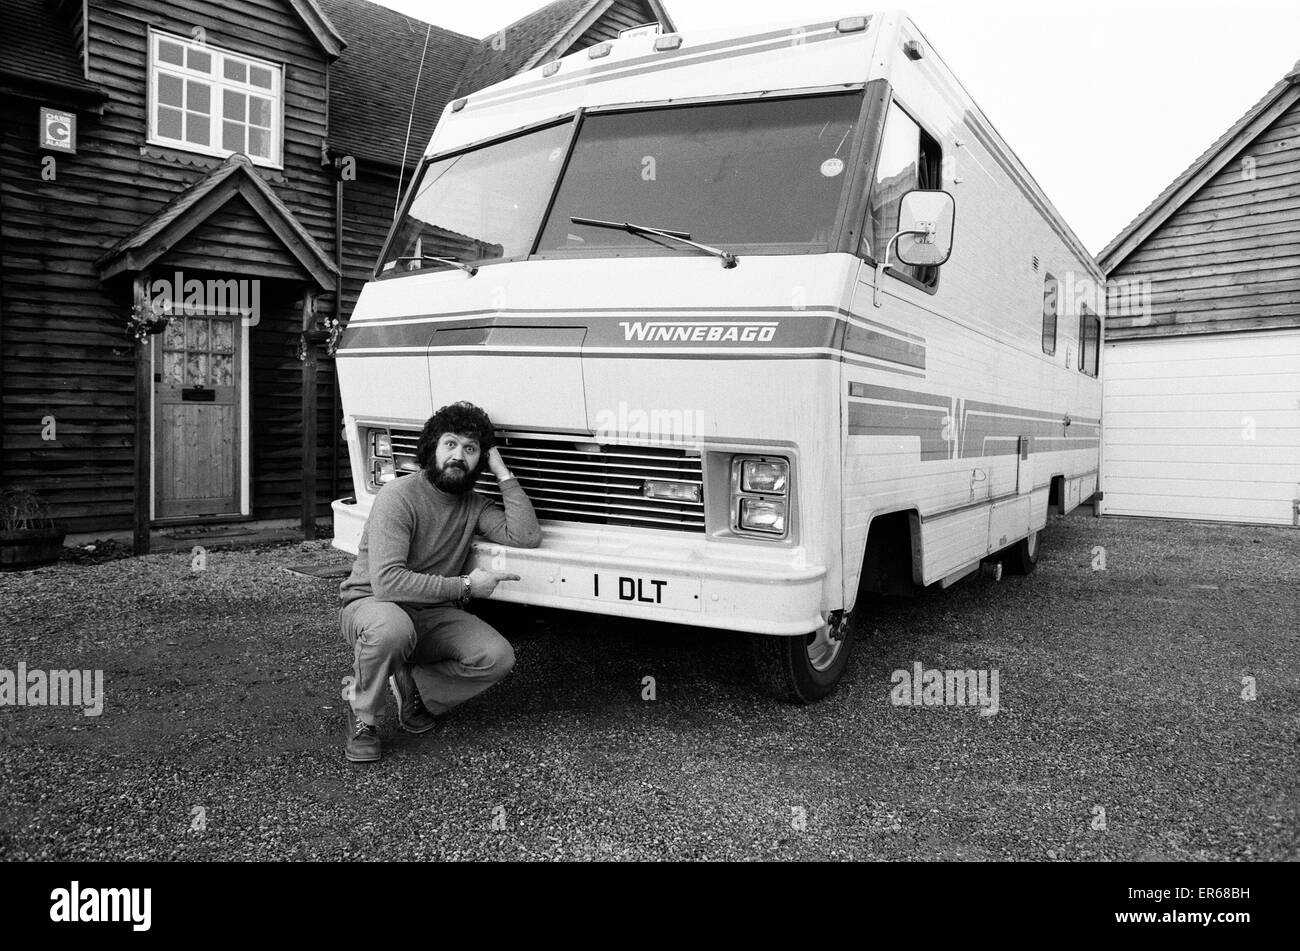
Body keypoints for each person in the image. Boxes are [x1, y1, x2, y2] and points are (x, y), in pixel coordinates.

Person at [338, 401, 542, 763]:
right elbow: (387, 583)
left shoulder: (474, 505)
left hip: (430, 613)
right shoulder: (398, 496)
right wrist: (465, 587)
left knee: (496, 657)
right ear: (431, 447)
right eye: (450, 444)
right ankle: (363, 718)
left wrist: (501, 470)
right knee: (391, 629)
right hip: (373, 606)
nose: (458, 456)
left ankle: (414, 688)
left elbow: (526, 535)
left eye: (470, 449)